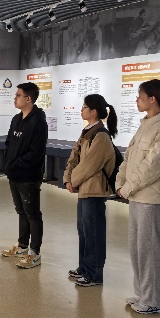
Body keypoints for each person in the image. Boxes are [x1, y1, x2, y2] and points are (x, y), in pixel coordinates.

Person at [115, 79, 160, 314]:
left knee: (150, 249)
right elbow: (129, 158)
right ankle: (143, 293)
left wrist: (128, 187)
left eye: (140, 96)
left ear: (152, 98)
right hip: (138, 196)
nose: (137, 99)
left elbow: (153, 166)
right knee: (137, 248)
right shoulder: (146, 125)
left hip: (152, 198)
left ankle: (155, 301)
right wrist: (120, 182)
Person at [63, 94, 118, 286]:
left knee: (93, 232)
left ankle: (94, 273)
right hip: (84, 190)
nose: (81, 110)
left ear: (94, 111)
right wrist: (67, 179)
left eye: (84, 107)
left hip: (94, 191)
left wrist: (73, 181)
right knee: (84, 231)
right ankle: (84, 267)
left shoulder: (101, 136)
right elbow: (74, 158)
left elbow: (89, 165)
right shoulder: (87, 132)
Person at [1, 82, 48, 269]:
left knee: (33, 214)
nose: (15, 98)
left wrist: (16, 164)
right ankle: (22, 246)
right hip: (14, 174)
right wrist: (8, 164)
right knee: (21, 212)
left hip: (28, 176)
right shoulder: (16, 119)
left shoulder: (38, 122)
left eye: (18, 95)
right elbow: (8, 143)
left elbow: (36, 152)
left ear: (28, 99)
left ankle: (34, 253)